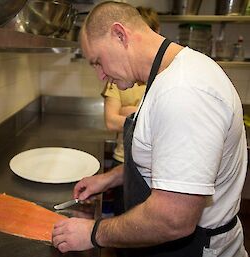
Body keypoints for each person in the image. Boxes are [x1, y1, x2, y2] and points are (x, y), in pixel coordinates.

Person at [52, 2, 248, 257]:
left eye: (98, 62)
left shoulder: (183, 91)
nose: (100, 75)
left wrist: (93, 232)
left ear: (120, 35)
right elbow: (168, 159)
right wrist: (111, 177)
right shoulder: (165, 77)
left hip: (195, 249)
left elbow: (173, 219)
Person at [102, 6, 160, 216]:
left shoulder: (162, 78)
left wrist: (130, 111)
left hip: (157, 166)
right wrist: (145, 114)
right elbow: (110, 121)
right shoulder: (117, 79)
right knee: (122, 215)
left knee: (149, 222)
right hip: (123, 160)